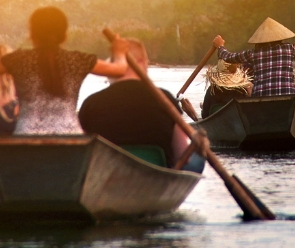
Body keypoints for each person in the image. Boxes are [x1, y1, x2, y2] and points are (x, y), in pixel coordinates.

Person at [0, 6, 128, 134]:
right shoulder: (79, 60)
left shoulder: (18, 59)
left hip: (26, 137)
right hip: (70, 136)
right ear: (65, 35)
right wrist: (119, 52)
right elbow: (120, 69)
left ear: (32, 35)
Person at [78, 39, 204, 173]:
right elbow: (182, 153)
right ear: (140, 62)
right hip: (157, 178)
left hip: (106, 177)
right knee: (197, 156)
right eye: (147, 62)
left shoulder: (91, 103)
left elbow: (82, 156)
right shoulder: (165, 99)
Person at [212, 17, 295, 98]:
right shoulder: (290, 49)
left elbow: (228, 57)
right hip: (290, 95)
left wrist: (220, 46)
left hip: (261, 97)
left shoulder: (254, 53)